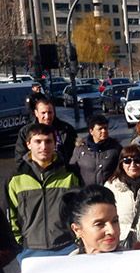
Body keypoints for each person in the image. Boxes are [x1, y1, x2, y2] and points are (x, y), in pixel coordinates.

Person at [7, 123, 81, 260]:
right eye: (38, 141)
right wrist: (19, 243)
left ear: (54, 144)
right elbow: (11, 215)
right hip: (30, 250)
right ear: (28, 144)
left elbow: (79, 210)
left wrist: (77, 238)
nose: (44, 146)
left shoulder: (69, 175)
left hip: (67, 247)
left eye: (48, 141)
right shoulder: (16, 179)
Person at [104, 144, 140, 247]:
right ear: (121, 164)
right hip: (122, 244)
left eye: (138, 161)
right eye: (127, 161)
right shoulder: (111, 187)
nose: (133, 165)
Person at [15, 93, 76, 165]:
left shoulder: (67, 129)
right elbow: (20, 159)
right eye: (43, 113)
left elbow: (75, 155)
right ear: (36, 113)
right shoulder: (25, 132)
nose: (47, 117)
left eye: (50, 112)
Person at [70, 114, 121, 186]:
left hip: (107, 190)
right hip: (86, 190)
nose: (104, 131)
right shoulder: (80, 149)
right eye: (100, 129)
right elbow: (72, 169)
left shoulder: (115, 148)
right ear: (91, 131)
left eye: (105, 128)